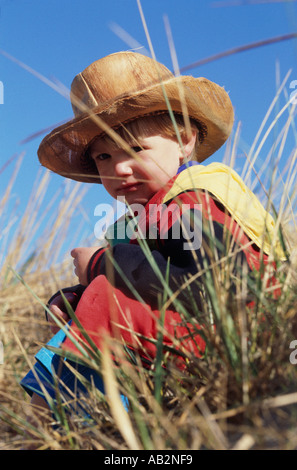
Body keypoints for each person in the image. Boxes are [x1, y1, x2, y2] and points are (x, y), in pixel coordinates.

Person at [20, 51, 285, 416]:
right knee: (91, 302)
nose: (119, 168)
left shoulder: (191, 198)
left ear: (184, 142)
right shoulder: (151, 213)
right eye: (104, 158)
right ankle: (57, 419)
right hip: (189, 336)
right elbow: (160, 276)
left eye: (136, 149)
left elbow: (214, 282)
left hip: (239, 335)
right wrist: (75, 296)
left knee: (105, 300)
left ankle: (67, 422)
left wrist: (100, 265)